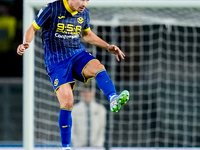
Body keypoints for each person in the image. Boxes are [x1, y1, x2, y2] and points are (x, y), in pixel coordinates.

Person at [17, 0, 129, 149]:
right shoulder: (51, 9)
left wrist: (108, 46)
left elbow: (87, 34)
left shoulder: (84, 14)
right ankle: (66, 146)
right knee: (68, 102)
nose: (85, 3)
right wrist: (26, 42)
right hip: (56, 62)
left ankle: (113, 98)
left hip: (76, 54)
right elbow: (32, 28)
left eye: (87, 0)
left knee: (98, 67)